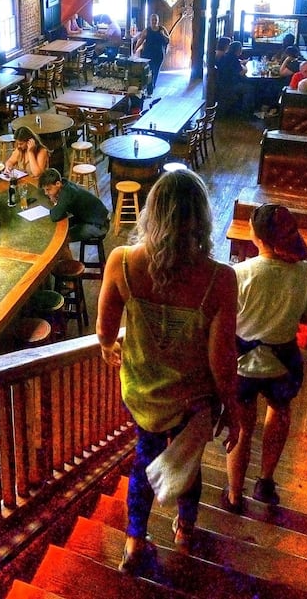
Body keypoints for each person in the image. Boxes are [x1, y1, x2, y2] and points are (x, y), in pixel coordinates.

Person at [96, 169, 239, 570]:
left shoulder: (123, 262)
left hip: (142, 393)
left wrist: (109, 347)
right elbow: (221, 359)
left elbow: (105, 331)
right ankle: (185, 530)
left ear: (151, 212)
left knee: (144, 460)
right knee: (187, 462)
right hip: (194, 398)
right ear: (202, 218)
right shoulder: (220, 279)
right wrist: (233, 408)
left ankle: (134, 542)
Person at [223, 204, 307, 513]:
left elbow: (223, 326)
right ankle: (266, 481)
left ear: (256, 236)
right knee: (279, 414)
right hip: (283, 364)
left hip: (242, 366)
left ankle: (234, 494)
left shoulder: (238, 274)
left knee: (243, 428)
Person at [39, 167, 110, 244]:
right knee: (59, 228)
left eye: (48, 189)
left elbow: (55, 216)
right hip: (91, 218)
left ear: (58, 184)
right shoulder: (65, 184)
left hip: (99, 226)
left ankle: (66, 252)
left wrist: (55, 202)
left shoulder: (66, 194)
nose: (46, 193)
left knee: (61, 239)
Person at [133, 14, 170, 95]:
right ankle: (149, 88)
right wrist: (135, 49)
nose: (154, 21)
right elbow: (141, 40)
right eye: (152, 20)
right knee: (148, 71)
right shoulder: (147, 30)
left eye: (155, 20)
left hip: (159, 54)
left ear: (158, 21)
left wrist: (163, 34)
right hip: (148, 54)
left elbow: (168, 40)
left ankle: (152, 86)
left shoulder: (162, 29)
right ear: (150, 21)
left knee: (155, 71)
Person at [215, 40, 254, 115]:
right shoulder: (233, 58)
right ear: (238, 50)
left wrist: (240, 63)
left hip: (222, 83)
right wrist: (244, 66)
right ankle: (246, 111)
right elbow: (242, 72)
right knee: (250, 88)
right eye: (240, 49)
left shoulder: (226, 56)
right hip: (230, 85)